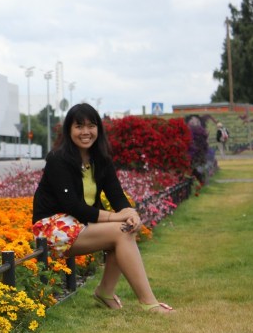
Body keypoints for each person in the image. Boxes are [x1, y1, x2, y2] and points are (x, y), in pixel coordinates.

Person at [31, 103, 174, 313]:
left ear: (99, 128)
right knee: (121, 231)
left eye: (91, 125)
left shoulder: (101, 159)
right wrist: (117, 217)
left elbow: (116, 194)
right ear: (69, 130)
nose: (86, 132)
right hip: (52, 228)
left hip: (79, 224)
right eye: (79, 126)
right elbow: (73, 206)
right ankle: (148, 303)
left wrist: (130, 213)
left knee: (126, 229)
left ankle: (106, 292)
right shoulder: (58, 159)